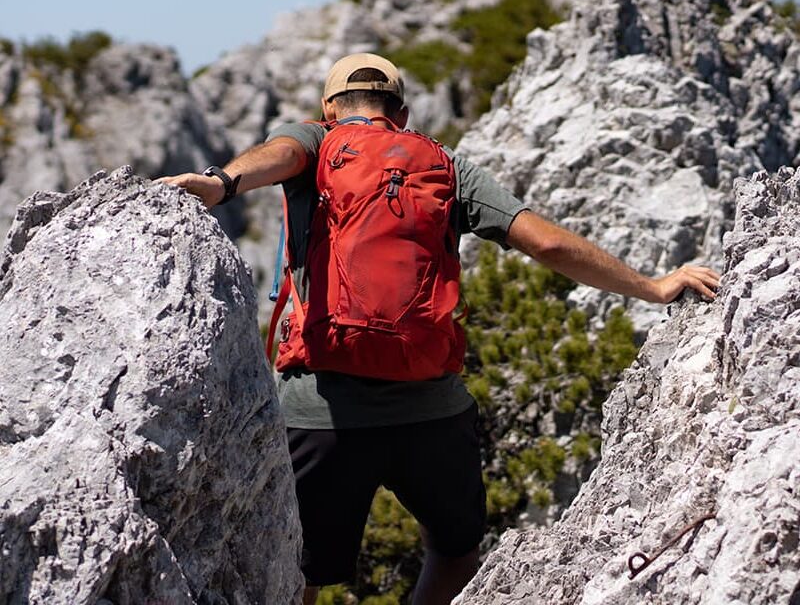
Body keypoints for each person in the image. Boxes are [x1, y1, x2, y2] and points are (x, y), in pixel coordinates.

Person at [160, 53, 720, 605]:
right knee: (454, 552)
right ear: (399, 113)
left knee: (297, 572)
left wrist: (223, 182)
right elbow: (546, 243)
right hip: (432, 412)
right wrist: (651, 285)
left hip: (321, 414)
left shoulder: (314, 142)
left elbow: (279, 154)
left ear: (329, 109)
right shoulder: (446, 166)